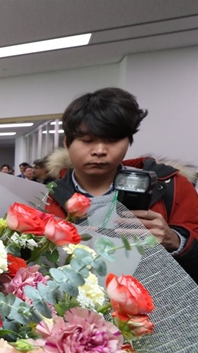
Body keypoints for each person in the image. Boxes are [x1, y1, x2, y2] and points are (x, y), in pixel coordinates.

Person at [45, 87, 198, 283]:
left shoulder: (169, 186)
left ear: (128, 142)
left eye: (112, 140)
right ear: (67, 143)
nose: (99, 150)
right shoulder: (46, 198)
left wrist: (177, 241)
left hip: (158, 306)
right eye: (87, 141)